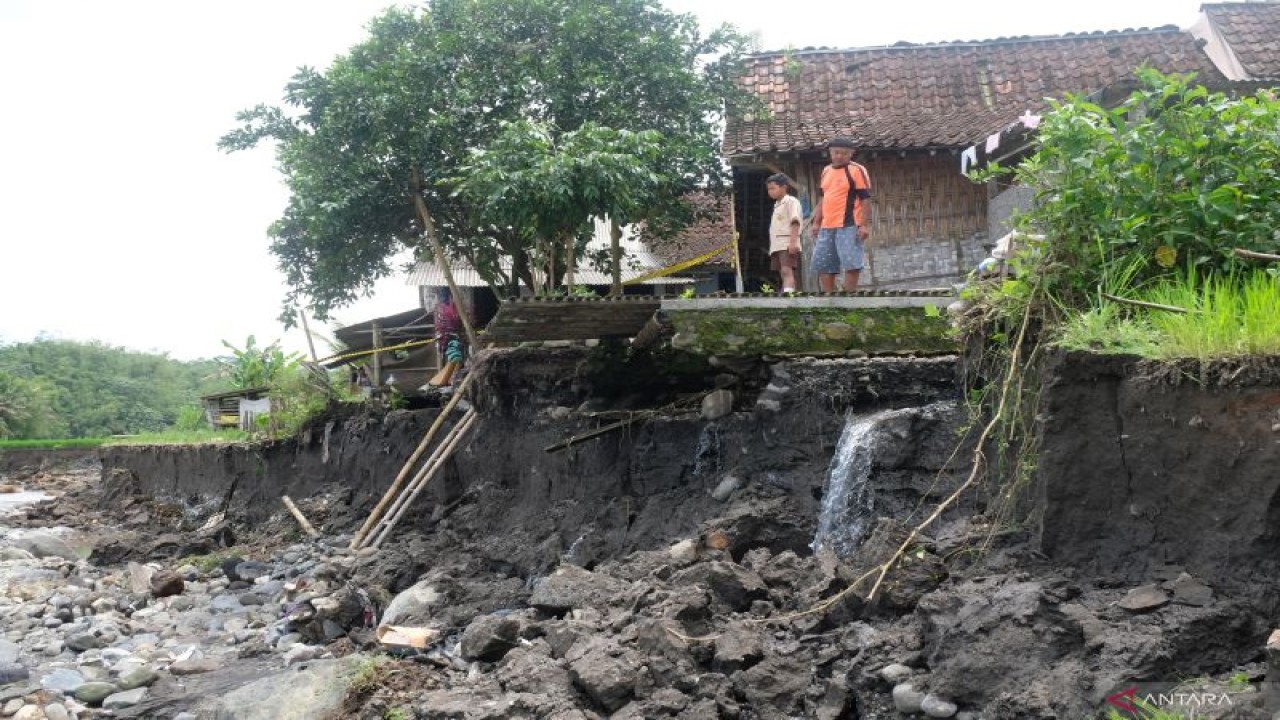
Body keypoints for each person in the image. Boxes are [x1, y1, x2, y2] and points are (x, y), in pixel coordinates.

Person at [810, 136, 872, 292]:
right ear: (830, 152)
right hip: (827, 225)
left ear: (851, 153)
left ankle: (849, 297)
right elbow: (823, 198)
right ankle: (830, 298)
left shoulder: (856, 170)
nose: (839, 156)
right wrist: (816, 222)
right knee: (824, 263)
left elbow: (865, 199)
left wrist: (864, 225)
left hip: (849, 224)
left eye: (844, 153)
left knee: (851, 263)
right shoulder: (826, 171)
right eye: (836, 152)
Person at [766, 173, 803, 293]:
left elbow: (795, 222)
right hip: (777, 244)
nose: (770, 191)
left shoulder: (791, 201)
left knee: (787, 270)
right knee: (782, 271)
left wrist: (793, 242)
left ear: (784, 187)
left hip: (786, 242)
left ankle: (788, 294)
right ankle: (788, 291)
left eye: (773, 188)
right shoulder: (777, 205)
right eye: (768, 189)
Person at [427, 287, 466, 388]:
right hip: (450, 335)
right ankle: (451, 379)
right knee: (454, 357)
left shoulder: (445, 308)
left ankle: (451, 379)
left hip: (450, 335)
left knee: (455, 357)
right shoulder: (443, 308)